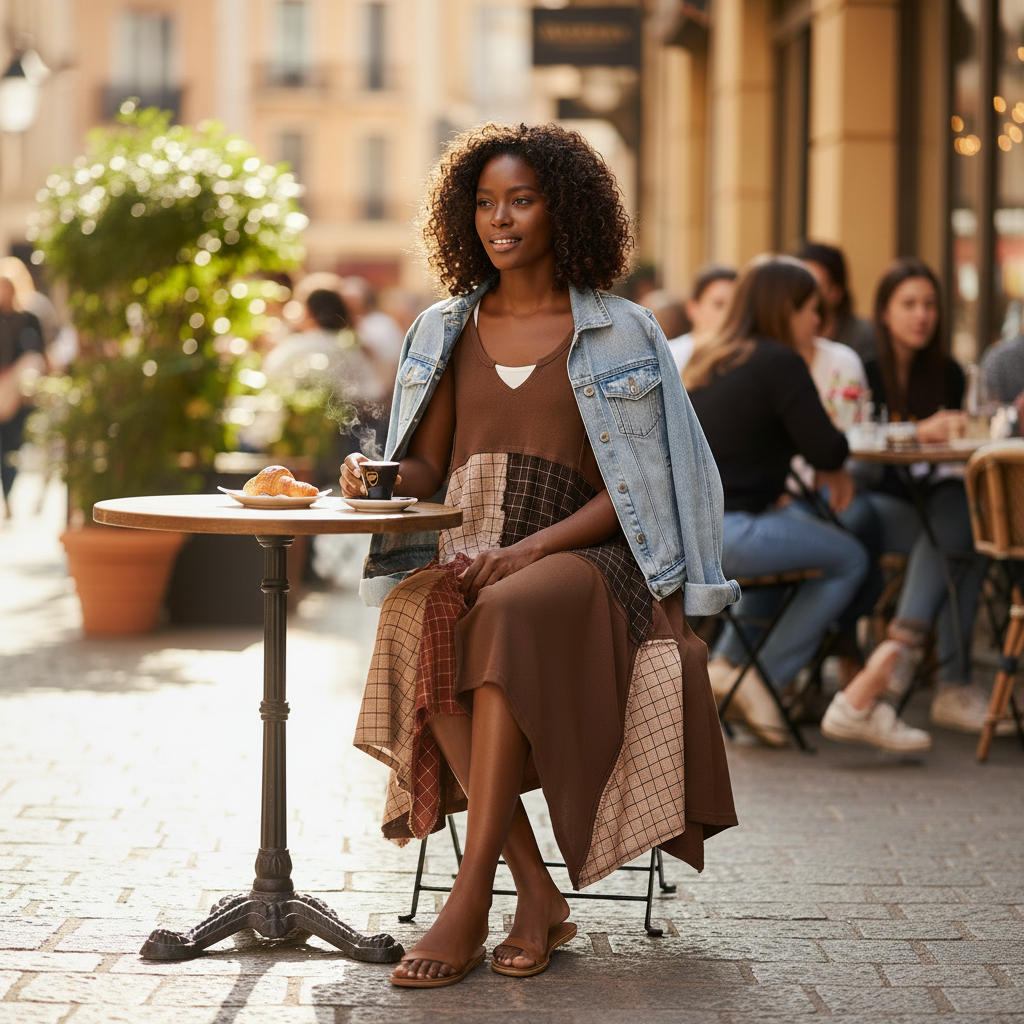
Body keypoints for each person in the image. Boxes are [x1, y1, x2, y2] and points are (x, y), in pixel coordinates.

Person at [343, 123, 739, 987]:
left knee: (510, 611)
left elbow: (638, 490)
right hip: (472, 550)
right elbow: (427, 464)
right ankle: (535, 892)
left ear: (564, 210)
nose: (501, 219)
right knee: (414, 619)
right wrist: (376, 475)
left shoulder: (624, 333)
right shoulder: (443, 328)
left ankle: (472, 892)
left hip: (592, 560)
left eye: (521, 200)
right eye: (485, 203)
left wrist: (522, 555)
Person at [683, 256, 914, 748]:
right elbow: (827, 446)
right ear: (785, 310)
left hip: (693, 532)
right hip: (733, 532)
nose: (819, 321)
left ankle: (730, 666)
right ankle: (760, 677)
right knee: (848, 556)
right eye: (811, 309)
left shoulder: (714, 356)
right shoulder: (779, 361)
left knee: (798, 539)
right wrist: (830, 464)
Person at [820, 257, 998, 746]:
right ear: (885, 311)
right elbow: (851, 439)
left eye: (930, 305)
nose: (922, 315)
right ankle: (948, 684)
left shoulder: (950, 373)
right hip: (874, 501)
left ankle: (894, 665)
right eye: (910, 304)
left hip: (933, 501)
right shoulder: (865, 368)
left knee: (958, 530)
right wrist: (919, 431)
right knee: (961, 537)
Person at [0, 275, 45, 513]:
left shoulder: (29, 319)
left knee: (13, 444)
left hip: (19, 395)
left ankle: (8, 493)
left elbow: (39, 352)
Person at [797, 242, 876, 362]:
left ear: (836, 292)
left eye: (814, 285)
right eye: (799, 285)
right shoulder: (787, 335)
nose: (805, 293)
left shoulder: (864, 338)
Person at [666, 264, 736, 374]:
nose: (727, 314)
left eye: (734, 306)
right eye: (719, 304)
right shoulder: (668, 357)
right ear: (692, 308)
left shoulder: (744, 358)